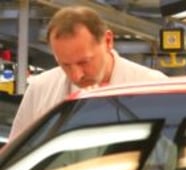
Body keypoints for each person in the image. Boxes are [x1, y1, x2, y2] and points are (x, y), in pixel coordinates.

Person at [9, 5, 167, 141]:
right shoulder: (40, 89)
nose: (76, 75)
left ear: (107, 41)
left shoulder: (153, 88)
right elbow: (15, 157)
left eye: (83, 62)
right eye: (65, 65)